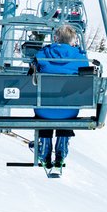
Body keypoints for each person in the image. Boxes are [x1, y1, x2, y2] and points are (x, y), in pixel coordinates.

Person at [29, 24, 87, 169]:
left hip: (43, 109)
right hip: (69, 110)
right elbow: (86, 82)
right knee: (66, 107)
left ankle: (44, 149)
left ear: (55, 38)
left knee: (44, 107)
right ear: (73, 40)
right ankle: (61, 149)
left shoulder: (42, 54)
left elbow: (30, 77)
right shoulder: (79, 58)